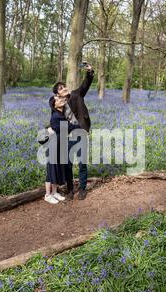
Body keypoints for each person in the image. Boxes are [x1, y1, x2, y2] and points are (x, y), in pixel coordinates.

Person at [49, 62, 94, 201]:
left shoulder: (76, 94)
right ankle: (70, 189)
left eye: (64, 86)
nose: (64, 88)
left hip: (81, 132)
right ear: (57, 94)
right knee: (67, 163)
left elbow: (85, 84)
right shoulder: (59, 105)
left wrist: (90, 72)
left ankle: (82, 189)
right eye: (61, 89)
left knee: (82, 162)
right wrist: (48, 128)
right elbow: (54, 119)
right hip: (68, 135)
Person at [44, 98, 80, 204]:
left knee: (56, 170)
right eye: (57, 100)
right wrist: (80, 126)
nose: (60, 100)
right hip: (54, 146)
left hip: (60, 146)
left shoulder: (60, 114)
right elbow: (67, 127)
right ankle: (47, 195)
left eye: (60, 99)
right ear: (54, 105)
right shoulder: (56, 116)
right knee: (51, 171)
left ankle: (54, 192)